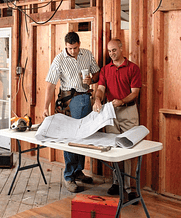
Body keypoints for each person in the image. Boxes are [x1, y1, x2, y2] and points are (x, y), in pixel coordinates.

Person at [43, 32, 100, 193]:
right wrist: (45, 107)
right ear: (65, 45)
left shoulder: (87, 55)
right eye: (70, 48)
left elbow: (97, 74)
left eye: (75, 48)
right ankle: (69, 176)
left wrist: (91, 79)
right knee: (69, 139)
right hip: (69, 101)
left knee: (83, 137)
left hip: (85, 100)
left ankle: (78, 171)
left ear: (79, 44)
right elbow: (50, 85)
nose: (73, 51)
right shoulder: (59, 60)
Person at [93, 38, 141, 204]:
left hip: (128, 111)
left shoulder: (133, 68)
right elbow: (100, 89)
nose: (111, 53)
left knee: (129, 150)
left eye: (114, 50)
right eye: (109, 51)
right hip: (110, 112)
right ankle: (116, 183)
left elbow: (135, 93)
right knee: (114, 149)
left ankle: (130, 189)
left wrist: (122, 101)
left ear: (121, 49)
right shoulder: (105, 70)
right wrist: (98, 100)